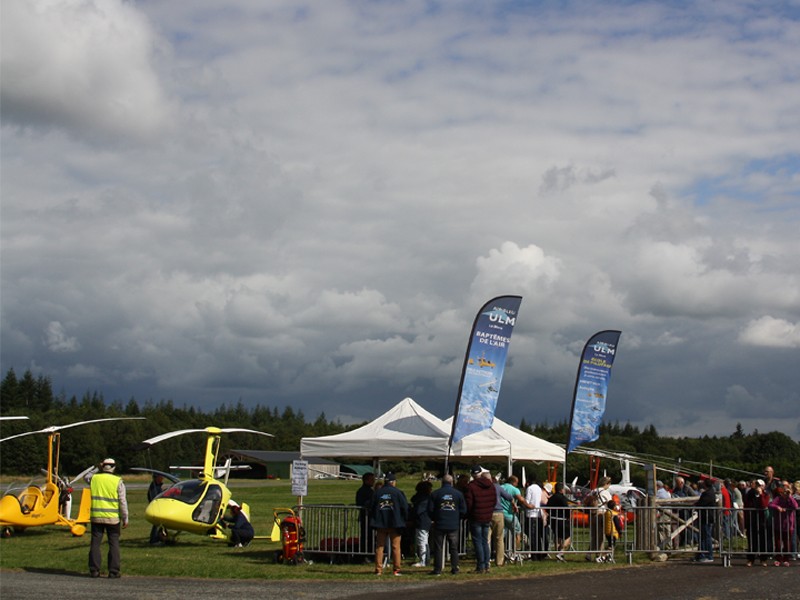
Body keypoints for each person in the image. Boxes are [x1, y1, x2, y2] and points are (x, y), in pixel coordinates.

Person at [86, 458, 128, 578]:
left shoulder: (94, 478)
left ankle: (94, 570)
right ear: (114, 467)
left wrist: (96, 468)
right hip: (112, 518)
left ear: (103, 466)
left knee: (95, 543)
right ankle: (113, 571)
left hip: (96, 517)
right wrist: (125, 517)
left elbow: (86, 476)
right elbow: (122, 501)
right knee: (113, 543)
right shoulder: (118, 481)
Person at [427, 474, 467, 576]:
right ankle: (455, 568)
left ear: (441, 482)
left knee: (438, 547)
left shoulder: (435, 494)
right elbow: (463, 510)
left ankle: (437, 569)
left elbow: (430, 510)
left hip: (439, 524)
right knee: (454, 547)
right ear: (452, 482)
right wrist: (457, 517)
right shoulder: (458, 494)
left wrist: (435, 518)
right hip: (453, 524)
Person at [369, 472, 408, 576]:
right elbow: (405, 507)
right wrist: (404, 519)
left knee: (380, 547)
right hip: (395, 523)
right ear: (393, 482)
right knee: (396, 547)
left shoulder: (377, 492)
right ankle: (396, 569)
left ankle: (378, 569)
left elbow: (371, 506)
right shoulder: (398, 492)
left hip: (380, 523)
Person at [465, 465, 495, 573]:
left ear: (473, 475)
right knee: (484, 541)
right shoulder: (490, 485)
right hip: (487, 516)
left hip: (476, 516)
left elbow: (469, 503)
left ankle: (481, 565)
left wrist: (468, 513)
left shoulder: (471, 486)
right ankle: (487, 564)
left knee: (477, 541)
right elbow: (494, 501)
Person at [500, 475, 530, 557]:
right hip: (509, 514)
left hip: (499, 513)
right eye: (517, 483)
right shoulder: (514, 489)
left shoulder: (500, 487)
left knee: (500, 535)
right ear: (513, 482)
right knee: (518, 533)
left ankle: (500, 553)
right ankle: (515, 553)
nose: (517, 484)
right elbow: (521, 499)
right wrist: (529, 505)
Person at [768, 484, 797, 567]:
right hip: (778, 525)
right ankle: (778, 559)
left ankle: (786, 559)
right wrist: (777, 507)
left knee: (787, 543)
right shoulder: (778, 498)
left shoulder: (791, 499)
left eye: (787, 491)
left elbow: (795, 506)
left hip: (789, 525)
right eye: (784, 491)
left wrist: (790, 497)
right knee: (777, 543)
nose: (785, 493)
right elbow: (770, 504)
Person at [744, 478, 771, 567]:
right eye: (756, 485)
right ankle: (750, 559)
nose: (757, 487)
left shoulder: (766, 494)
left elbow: (764, 505)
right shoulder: (750, 494)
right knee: (752, 540)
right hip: (752, 519)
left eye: (759, 485)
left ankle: (763, 559)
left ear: (763, 486)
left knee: (763, 540)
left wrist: (761, 495)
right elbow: (747, 505)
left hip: (762, 520)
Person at [585, 476, 613, 562]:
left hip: (591, 515)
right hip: (601, 514)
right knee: (601, 536)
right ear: (606, 484)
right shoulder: (605, 492)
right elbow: (610, 504)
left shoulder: (593, 491)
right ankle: (599, 555)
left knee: (594, 536)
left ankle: (589, 554)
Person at [490, 473, 514, 567]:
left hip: (488, 512)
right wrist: (513, 504)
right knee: (499, 538)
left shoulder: (485, 488)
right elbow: (509, 497)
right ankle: (499, 561)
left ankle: (487, 560)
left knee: (487, 539)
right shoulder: (498, 487)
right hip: (498, 513)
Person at [546, 482, 572, 562]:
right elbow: (566, 508)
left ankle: (558, 555)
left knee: (557, 536)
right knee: (568, 537)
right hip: (562, 520)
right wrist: (568, 516)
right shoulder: (562, 498)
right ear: (561, 490)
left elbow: (547, 508)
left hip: (553, 520)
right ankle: (560, 552)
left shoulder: (551, 498)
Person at [410, 480, 433, 567]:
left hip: (421, 521)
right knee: (424, 541)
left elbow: (418, 510)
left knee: (422, 541)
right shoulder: (427, 498)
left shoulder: (421, 500)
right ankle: (426, 559)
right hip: (425, 521)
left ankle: (423, 561)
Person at [693, 479, 717, 563]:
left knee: (706, 537)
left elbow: (701, 503)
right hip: (706, 517)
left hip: (706, 518)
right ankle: (702, 554)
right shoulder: (711, 492)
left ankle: (708, 555)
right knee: (703, 536)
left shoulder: (707, 493)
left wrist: (696, 504)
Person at [524, 475, 546, 560]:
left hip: (530, 513)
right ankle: (539, 553)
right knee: (537, 535)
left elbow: (527, 501)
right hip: (538, 514)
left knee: (532, 536)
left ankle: (534, 555)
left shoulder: (529, 489)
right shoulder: (539, 489)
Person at [355, 472, 375, 554]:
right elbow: (361, 503)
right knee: (367, 536)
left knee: (369, 536)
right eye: (372, 479)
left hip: (369, 517)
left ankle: (368, 552)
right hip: (366, 517)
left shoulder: (369, 491)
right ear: (366, 480)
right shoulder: (364, 491)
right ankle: (365, 553)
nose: (373, 481)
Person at [603, 499, 624, 563]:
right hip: (613, 531)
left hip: (607, 531)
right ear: (613, 507)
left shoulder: (607, 513)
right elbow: (617, 524)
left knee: (610, 544)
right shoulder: (614, 514)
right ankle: (605, 557)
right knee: (611, 546)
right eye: (615, 506)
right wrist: (620, 531)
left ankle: (608, 557)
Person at [147, 474, 165, 545]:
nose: (162, 478)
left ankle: (158, 538)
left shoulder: (158, 486)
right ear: (157, 478)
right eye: (161, 477)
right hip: (156, 508)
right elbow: (154, 498)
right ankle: (154, 540)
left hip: (159, 507)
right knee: (157, 523)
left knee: (159, 523)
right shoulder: (154, 487)